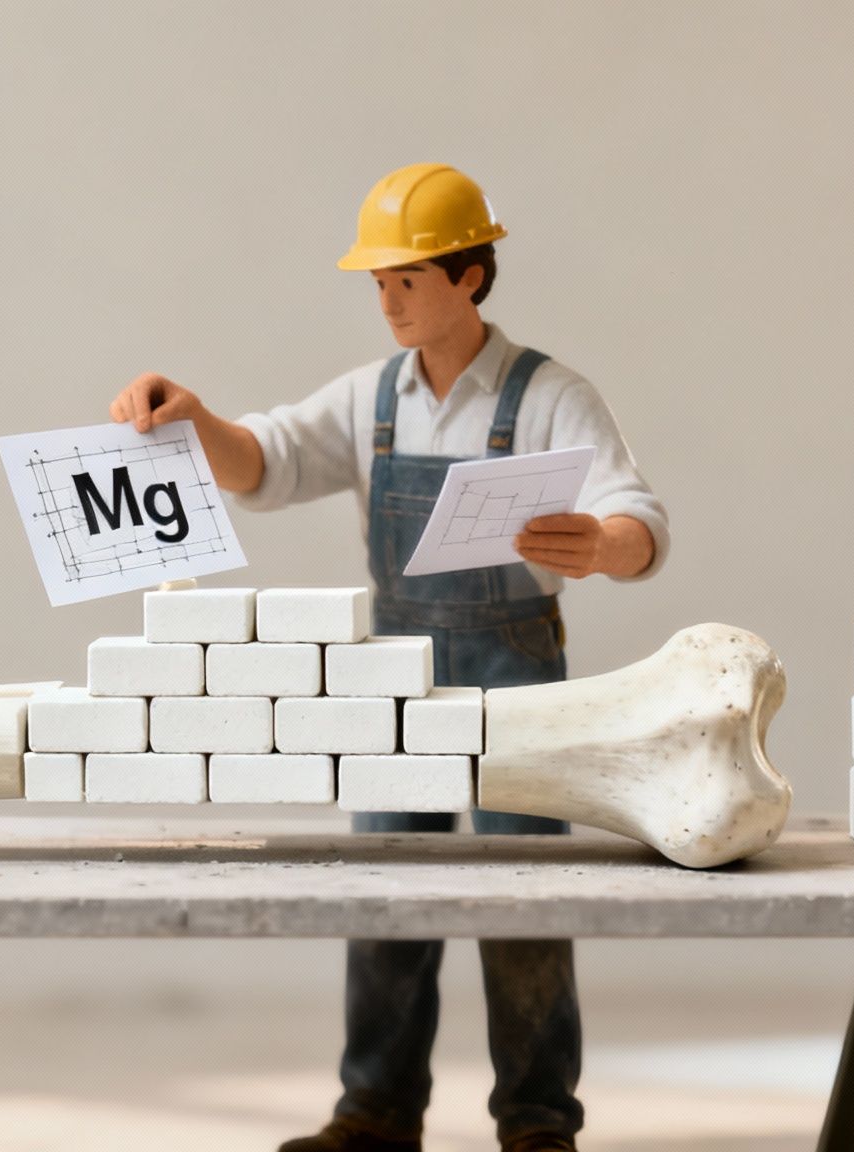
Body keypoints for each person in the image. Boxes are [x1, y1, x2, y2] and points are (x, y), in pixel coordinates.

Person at [108, 163, 669, 1152]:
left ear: (470, 276)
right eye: (378, 282)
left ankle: (538, 1123)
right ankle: (374, 1110)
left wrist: (604, 543)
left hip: (514, 675)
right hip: (396, 676)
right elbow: (267, 464)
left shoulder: (549, 396)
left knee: (527, 898)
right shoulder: (368, 400)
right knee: (381, 888)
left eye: (407, 278)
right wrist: (195, 424)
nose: (388, 300)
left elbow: (637, 515)